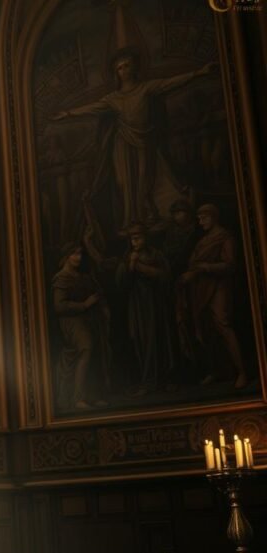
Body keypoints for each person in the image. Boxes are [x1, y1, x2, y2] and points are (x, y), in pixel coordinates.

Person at [51, 51, 215, 229]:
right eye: (119, 68)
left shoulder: (145, 88)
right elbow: (92, 108)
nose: (123, 70)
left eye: (126, 65)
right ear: (116, 73)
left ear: (134, 67)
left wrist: (198, 73)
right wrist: (68, 113)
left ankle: (146, 218)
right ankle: (130, 222)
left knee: (144, 181)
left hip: (144, 141)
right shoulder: (113, 98)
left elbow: (170, 83)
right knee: (123, 183)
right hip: (122, 143)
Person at [178, 204, 247, 388]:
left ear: (214, 217)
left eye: (203, 218)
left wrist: (203, 268)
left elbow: (230, 265)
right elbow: (193, 262)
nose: (200, 222)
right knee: (207, 330)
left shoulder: (225, 237)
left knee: (222, 324)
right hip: (201, 289)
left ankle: (242, 372)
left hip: (218, 287)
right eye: (199, 218)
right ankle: (218, 371)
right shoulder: (203, 241)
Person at [115, 223, 175, 395]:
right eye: (132, 239)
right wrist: (130, 265)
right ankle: (147, 380)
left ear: (145, 237)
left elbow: (165, 276)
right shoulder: (127, 257)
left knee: (157, 340)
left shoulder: (156, 254)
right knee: (140, 340)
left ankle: (158, 381)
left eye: (138, 238)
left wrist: (140, 267)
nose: (135, 242)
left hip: (155, 303)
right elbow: (120, 283)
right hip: (137, 306)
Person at [52, 245, 111, 409]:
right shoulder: (62, 278)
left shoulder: (84, 276)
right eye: (74, 254)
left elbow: (98, 295)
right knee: (86, 348)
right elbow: (59, 306)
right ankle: (77, 398)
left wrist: (103, 308)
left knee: (94, 353)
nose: (78, 257)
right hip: (72, 321)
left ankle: (92, 395)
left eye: (80, 254)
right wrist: (84, 305)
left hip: (88, 320)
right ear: (66, 257)